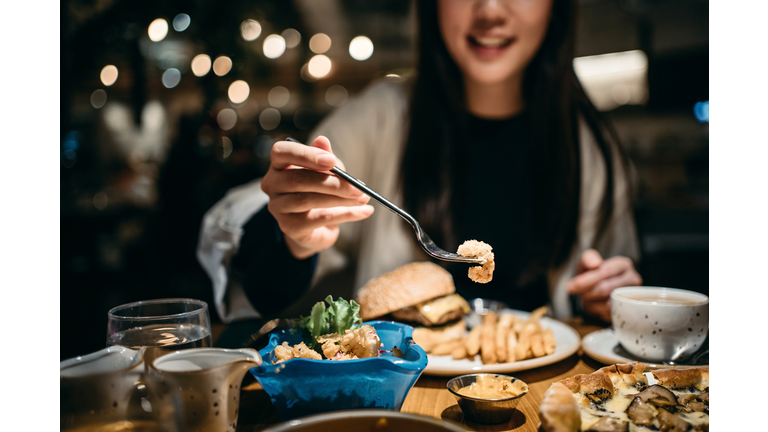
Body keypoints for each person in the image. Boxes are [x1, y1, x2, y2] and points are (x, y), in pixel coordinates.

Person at [197, 0, 642, 324]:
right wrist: (292, 239)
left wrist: (607, 297)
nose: (489, 10)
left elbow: (610, 289)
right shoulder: (384, 115)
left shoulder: (589, 144)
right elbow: (262, 281)